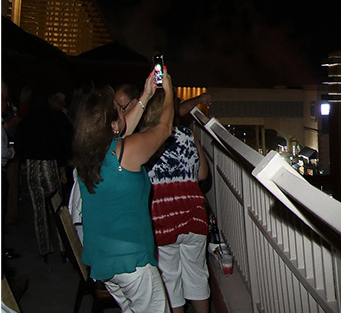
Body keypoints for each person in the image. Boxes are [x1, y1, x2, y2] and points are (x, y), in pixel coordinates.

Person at [74, 68, 174, 313]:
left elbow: (121, 128)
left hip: (103, 263)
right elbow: (164, 129)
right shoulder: (124, 153)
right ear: (112, 124)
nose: (125, 113)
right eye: (120, 111)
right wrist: (169, 92)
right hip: (132, 263)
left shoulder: (89, 152)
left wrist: (146, 95)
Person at [144, 92, 211, 313]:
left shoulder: (146, 139)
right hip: (194, 214)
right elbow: (202, 175)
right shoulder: (188, 135)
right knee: (197, 275)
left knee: (170, 280)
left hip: (162, 218)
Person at [15, 90, 73, 262]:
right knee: (56, 207)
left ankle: (44, 250)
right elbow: (63, 143)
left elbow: (19, 144)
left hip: (33, 165)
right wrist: (62, 167)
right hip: (49, 165)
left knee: (38, 209)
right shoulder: (53, 119)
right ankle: (64, 249)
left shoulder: (26, 121)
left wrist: (25, 159)